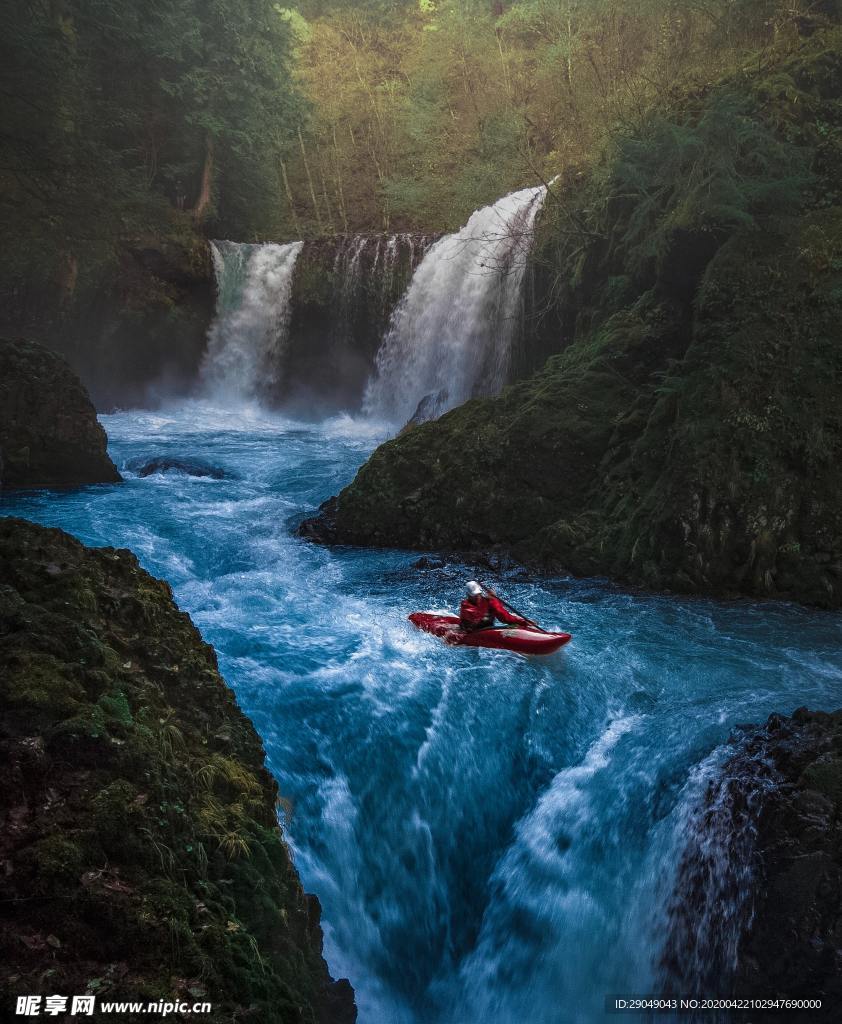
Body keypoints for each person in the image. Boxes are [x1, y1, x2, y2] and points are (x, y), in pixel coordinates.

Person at [459, 581, 530, 630]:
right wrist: (492, 600)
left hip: (488, 629)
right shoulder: (465, 606)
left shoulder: (488, 601)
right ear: (468, 595)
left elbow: (503, 616)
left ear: (481, 592)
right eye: (474, 595)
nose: (477, 597)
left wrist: (522, 621)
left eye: (478, 594)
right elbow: (476, 618)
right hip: (472, 631)